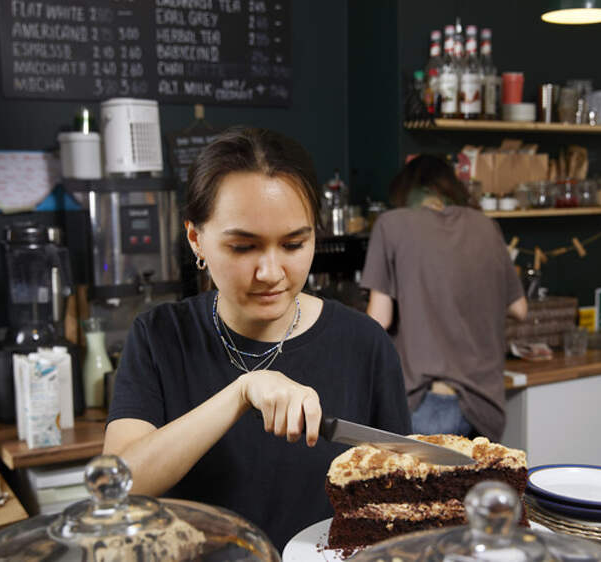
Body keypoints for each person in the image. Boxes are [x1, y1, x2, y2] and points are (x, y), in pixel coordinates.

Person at [103, 127, 411, 548]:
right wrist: (241, 392)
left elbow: (399, 501)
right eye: (243, 247)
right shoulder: (159, 337)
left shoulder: (364, 343)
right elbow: (117, 484)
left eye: (293, 244)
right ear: (196, 239)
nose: (270, 272)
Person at [360, 154, 527, 441]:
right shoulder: (486, 226)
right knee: (476, 474)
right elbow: (519, 308)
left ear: (405, 192)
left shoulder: (392, 224)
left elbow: (379, 320)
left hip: (427, 402)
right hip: (485, 405)